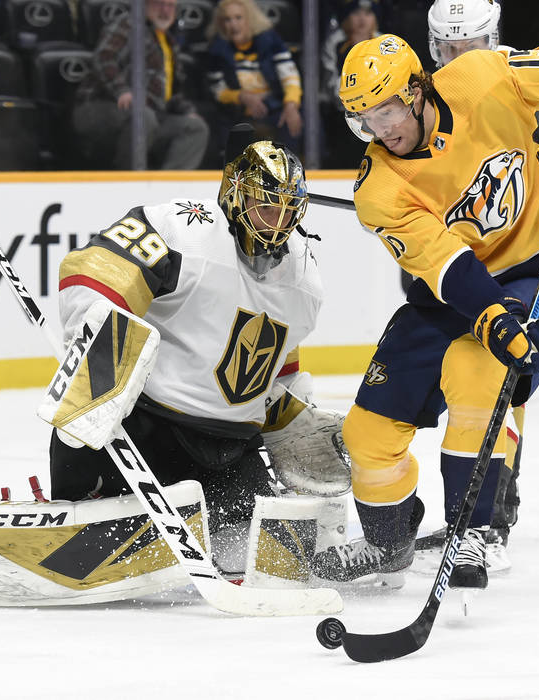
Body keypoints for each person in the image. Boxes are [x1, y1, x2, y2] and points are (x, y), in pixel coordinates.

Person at [310, 33, 539, 591]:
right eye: (365, 119)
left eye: (386, 110)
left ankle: (474, 530)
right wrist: (493, 315)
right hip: (456, 295)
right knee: (367, 431)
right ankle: (387, 542)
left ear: (416, 89)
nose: (381, 130)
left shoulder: (482, 76)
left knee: (481, 373)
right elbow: (447, 267)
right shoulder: (378, 189)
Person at [45, 132, 349, 572]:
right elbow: (94, 271)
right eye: (266, 205)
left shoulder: (303, 280)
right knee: (93, 375)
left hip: (227, 450)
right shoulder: (185, 227)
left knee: (275, 559)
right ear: (234, 195)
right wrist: (102, 339)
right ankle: (72, 510)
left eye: (287, 210)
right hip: (142, 431)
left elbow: (278, 371)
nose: (277, 222)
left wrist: (292, 420)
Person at [404, 0, 539, 574]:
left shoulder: (516, 75)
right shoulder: (423, 107)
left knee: (506, 371)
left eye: (469, 47)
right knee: (491, 369)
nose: (458, 61)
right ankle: (489, 503)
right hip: (492, 266)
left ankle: (492, 513)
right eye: (447, 51)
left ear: (493, 39)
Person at [72, 0, 209, 170]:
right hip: (100, 106)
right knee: (143, 118)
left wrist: (188, 112)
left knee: (195, 128)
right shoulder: (128, 24)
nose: (165, 11)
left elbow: (171, 93)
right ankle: (131, 183)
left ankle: (168, 189)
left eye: (171, 6)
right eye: (160, 4)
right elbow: (104, 57)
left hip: (148, 115)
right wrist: (122, 90)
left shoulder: (169, 43)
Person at [205, 0, 304, 154]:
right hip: (237, 112)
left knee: (297, 119)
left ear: (250, 18)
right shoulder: (217, 49)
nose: (233, 24)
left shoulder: (271, 41)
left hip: (275, 106)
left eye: (238, 18)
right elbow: (217, 90)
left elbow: (290, 77)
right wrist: (241, 96)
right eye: (227, 19)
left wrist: (291, 104)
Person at [320, 0, 383, 168]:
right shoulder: (335, 43)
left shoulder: (384, 43)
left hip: (378, 111)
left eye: (368, 14)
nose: (362, 19)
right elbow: (332, 88)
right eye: (356, 13)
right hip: (341, 114)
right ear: (346, 18)